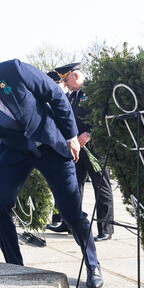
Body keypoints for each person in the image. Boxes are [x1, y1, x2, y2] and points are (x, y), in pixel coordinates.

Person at [0, 59, 103, 288]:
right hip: (14, 149)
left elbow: (54, 94)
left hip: (50, 142)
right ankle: (15, 267)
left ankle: (93, 263)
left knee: (71, 211)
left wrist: (70, 136)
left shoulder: (13, 71)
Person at [54, 62, 115, 241]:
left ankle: (105, 228)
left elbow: (104, 117)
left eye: (66, 80)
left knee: (101, 185)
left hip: (94, 146)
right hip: (77, 148)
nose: (65, 84)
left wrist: (88, 134)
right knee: (74, 185)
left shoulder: (94, 91)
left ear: (76, 76)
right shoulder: (73, 96)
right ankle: (70, 222)